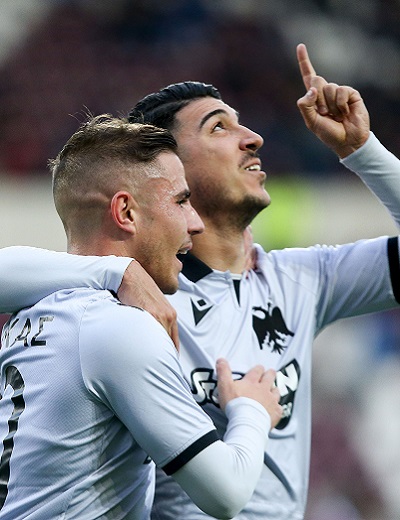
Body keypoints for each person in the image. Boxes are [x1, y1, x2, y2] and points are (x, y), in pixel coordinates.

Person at [1, 42, 400, 518]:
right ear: (171, 167)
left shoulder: (303, 279)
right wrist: (120, 272)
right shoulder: (135, 300)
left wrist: (363, 151)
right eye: (219, 127)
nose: (253, 138)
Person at [0, 115, 283, 520]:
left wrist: (117, 271)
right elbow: (226, 493)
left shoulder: (32, 307)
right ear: (126, 212)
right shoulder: (118, 327)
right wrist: (252, 410)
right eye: (181, 201)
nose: (195, 223)